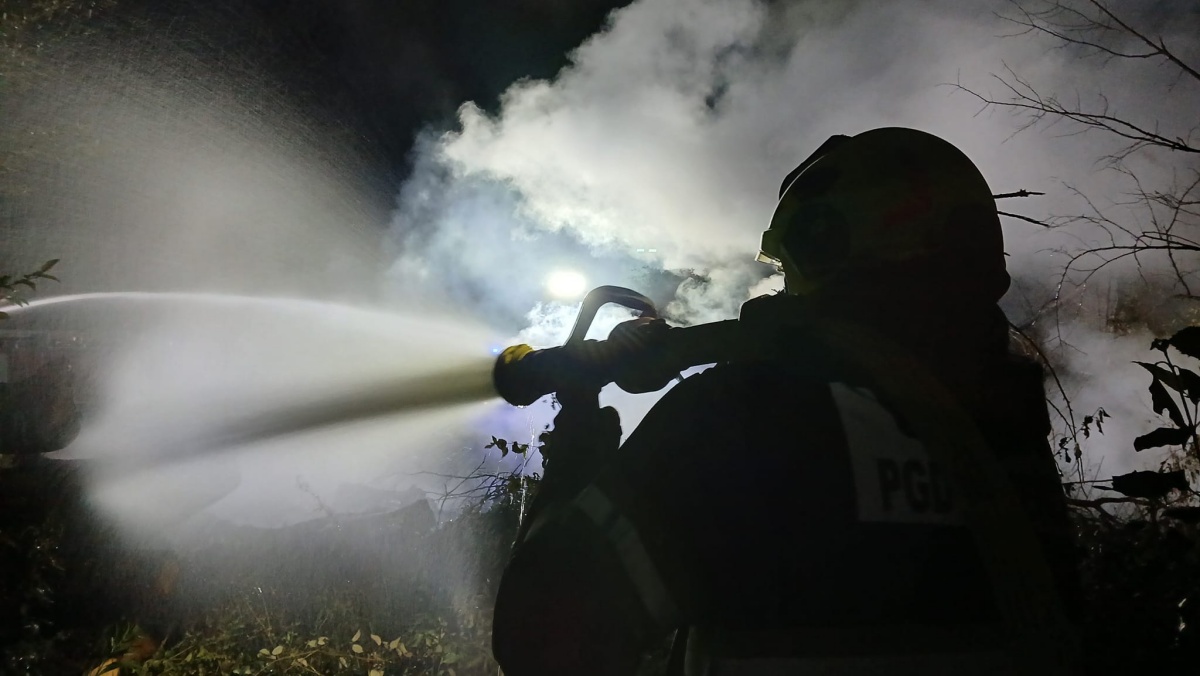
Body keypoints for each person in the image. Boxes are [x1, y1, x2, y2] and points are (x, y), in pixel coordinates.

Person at [491, 127, 1081, 675]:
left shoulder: (747, 417)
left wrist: (573, 460)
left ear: (824, 243)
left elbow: (540, 641)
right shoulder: (1009, 440)